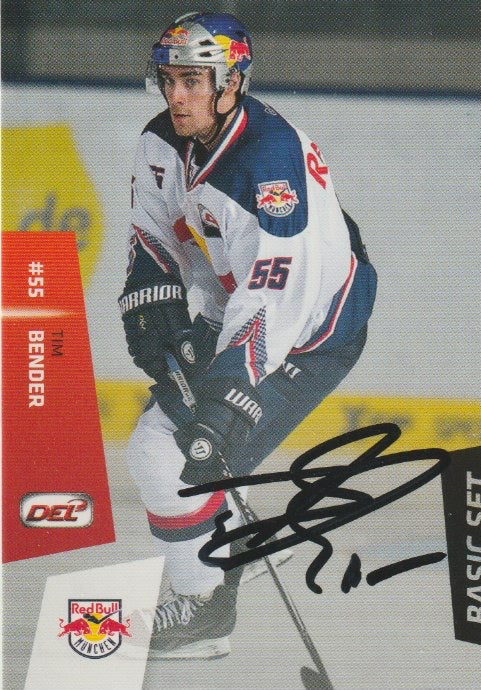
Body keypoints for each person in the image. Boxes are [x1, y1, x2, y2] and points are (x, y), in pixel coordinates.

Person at [120, 11, 377, 660]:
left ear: (231, 82)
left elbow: (276, 298)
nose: (176, 95)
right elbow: (151, 236)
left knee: (181, 455)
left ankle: (207, 608)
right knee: (153, 450)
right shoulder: (161, 143)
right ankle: (232, 545)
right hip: (234, 310)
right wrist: (153, 307)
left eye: (192, 81)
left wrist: (227, 394)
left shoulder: (270, 162)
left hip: (312, 333)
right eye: (169, 79)